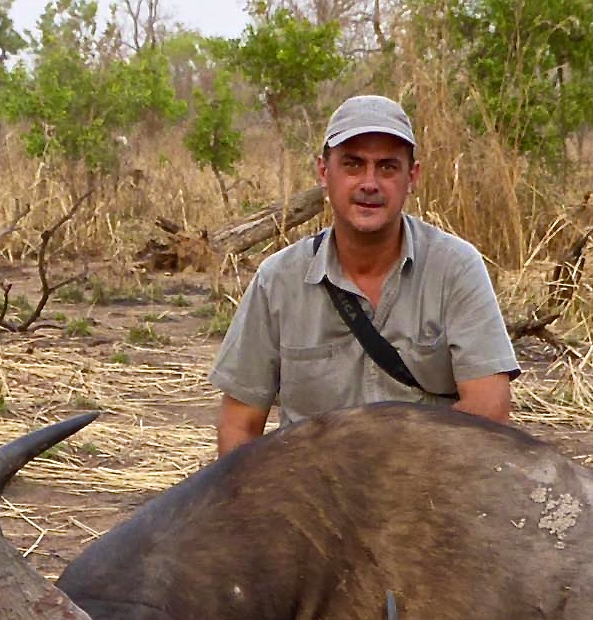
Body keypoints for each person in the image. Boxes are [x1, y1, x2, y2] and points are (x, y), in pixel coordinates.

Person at [209, 94, 520, 457]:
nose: (369, 183)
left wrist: (378, 476)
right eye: (353, 165)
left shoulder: (456, 267)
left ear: (412, 177)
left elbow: (489, 411)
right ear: (324, 173)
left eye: (387, 168)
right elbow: (239, 423)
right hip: (309, 495)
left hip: (427, 489)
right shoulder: (277, 280)